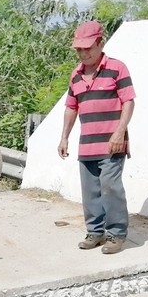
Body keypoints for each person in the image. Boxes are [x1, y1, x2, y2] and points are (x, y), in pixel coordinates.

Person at [57, 20, 136, 255]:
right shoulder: (76, 76)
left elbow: (128, 101)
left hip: (112, 143)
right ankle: (95, 232)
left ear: (100, 43)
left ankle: (116, 234)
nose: (83, 53)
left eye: (87, 48)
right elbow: (71, 108)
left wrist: (120, 131)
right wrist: (64, 138)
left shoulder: (117, 68)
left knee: (110, 187)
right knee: (90, 190)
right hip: (87, 144)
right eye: (79, 49)